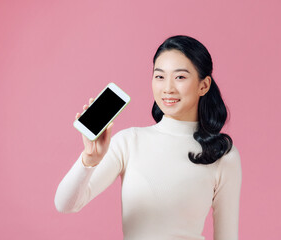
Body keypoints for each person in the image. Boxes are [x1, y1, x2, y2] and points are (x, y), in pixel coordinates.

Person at [55, 35, 242, 240]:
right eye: (159, 76)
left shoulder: (222, 154)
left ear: (203, 86)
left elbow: (227, 236)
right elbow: (65, 204)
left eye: (180, 77)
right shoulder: (128, 142)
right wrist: (88, 160)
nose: (168, 88)